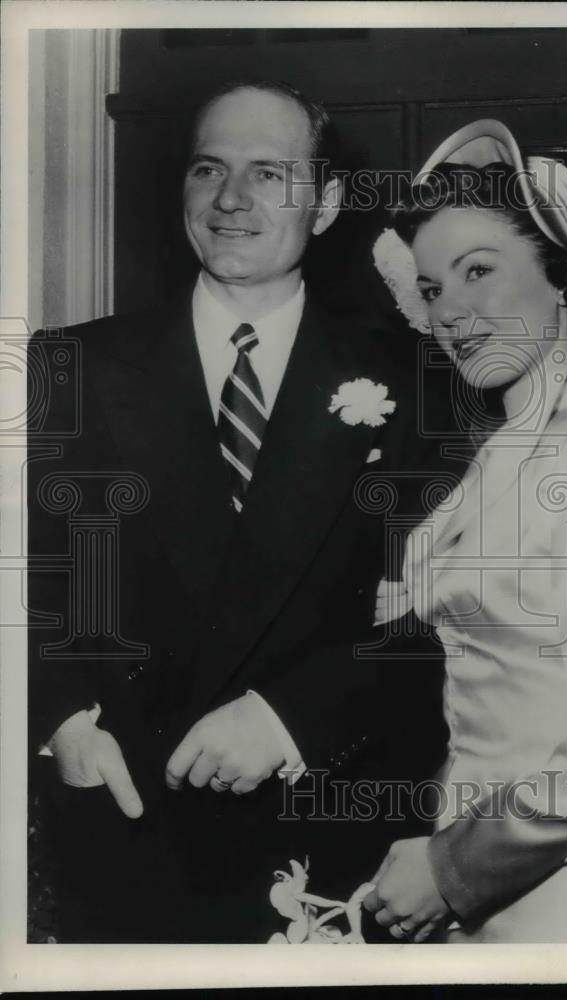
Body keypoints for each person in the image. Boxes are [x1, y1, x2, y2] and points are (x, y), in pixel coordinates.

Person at [27, 80, 451, 943]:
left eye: (269, 173)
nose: (230, 200)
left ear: (326, 203)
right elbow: (30, 579)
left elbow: (455, 617)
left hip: (323, 825)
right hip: (125, 829)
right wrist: (59, 717)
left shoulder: (418, 380)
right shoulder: (71, 364)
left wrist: (293, 714)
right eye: (208, 169)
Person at [363, 120, 567, 943]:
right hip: (478, 889)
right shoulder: (488, 468)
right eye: (435, 288)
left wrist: (451, 868)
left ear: (558, 277)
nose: (453, 312)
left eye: (480, 271)